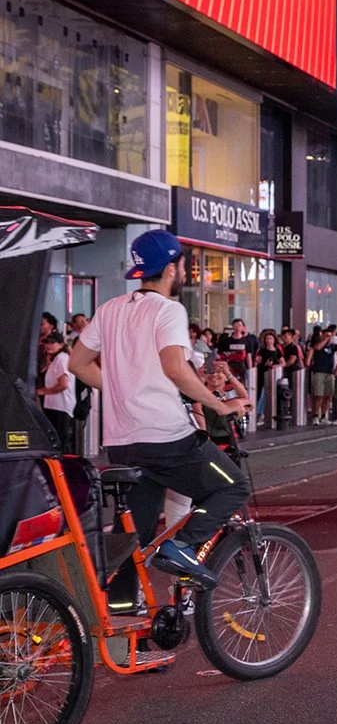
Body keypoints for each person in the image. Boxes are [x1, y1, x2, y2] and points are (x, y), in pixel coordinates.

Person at [66, 231, 250, 587]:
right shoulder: (168, 310)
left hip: (122, 443)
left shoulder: (110, 309)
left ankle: (124, 617)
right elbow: (175, 368)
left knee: (134, 538)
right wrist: (219, 405)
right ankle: (182, 546)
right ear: (170, 268)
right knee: (233, 486)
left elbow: (78, 362)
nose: (183, 272)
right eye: (181, 265)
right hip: (167, 439)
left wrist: (120, 387)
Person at [36, 331, 75, 451]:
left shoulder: (62, 359)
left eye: (53, 343)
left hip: (60, 406)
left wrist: (44, 391)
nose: (48, 345)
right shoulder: (54, 359)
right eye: (47, 342)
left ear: (61, 344)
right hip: (53, 406)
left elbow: (63, 384)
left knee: (60, 442)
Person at [307, 327, 337, 424]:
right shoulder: (318, 345)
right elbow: (318, 347)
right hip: (319, 371)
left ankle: (324, 416)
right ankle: (316, 415)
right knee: (318, 395)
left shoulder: (332, 347)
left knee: (327, 396)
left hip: (329, 372)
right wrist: (326, 338)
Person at [218, 318, 259, 382]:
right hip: (229, 365)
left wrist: (250, 369)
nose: (237, 327)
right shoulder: (226, 340)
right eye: (235, 325)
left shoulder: (247, 341)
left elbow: (249, 357)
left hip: (241, 366)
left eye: (239, 325)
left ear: (243, 327)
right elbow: (221, 354)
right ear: (233, 327)